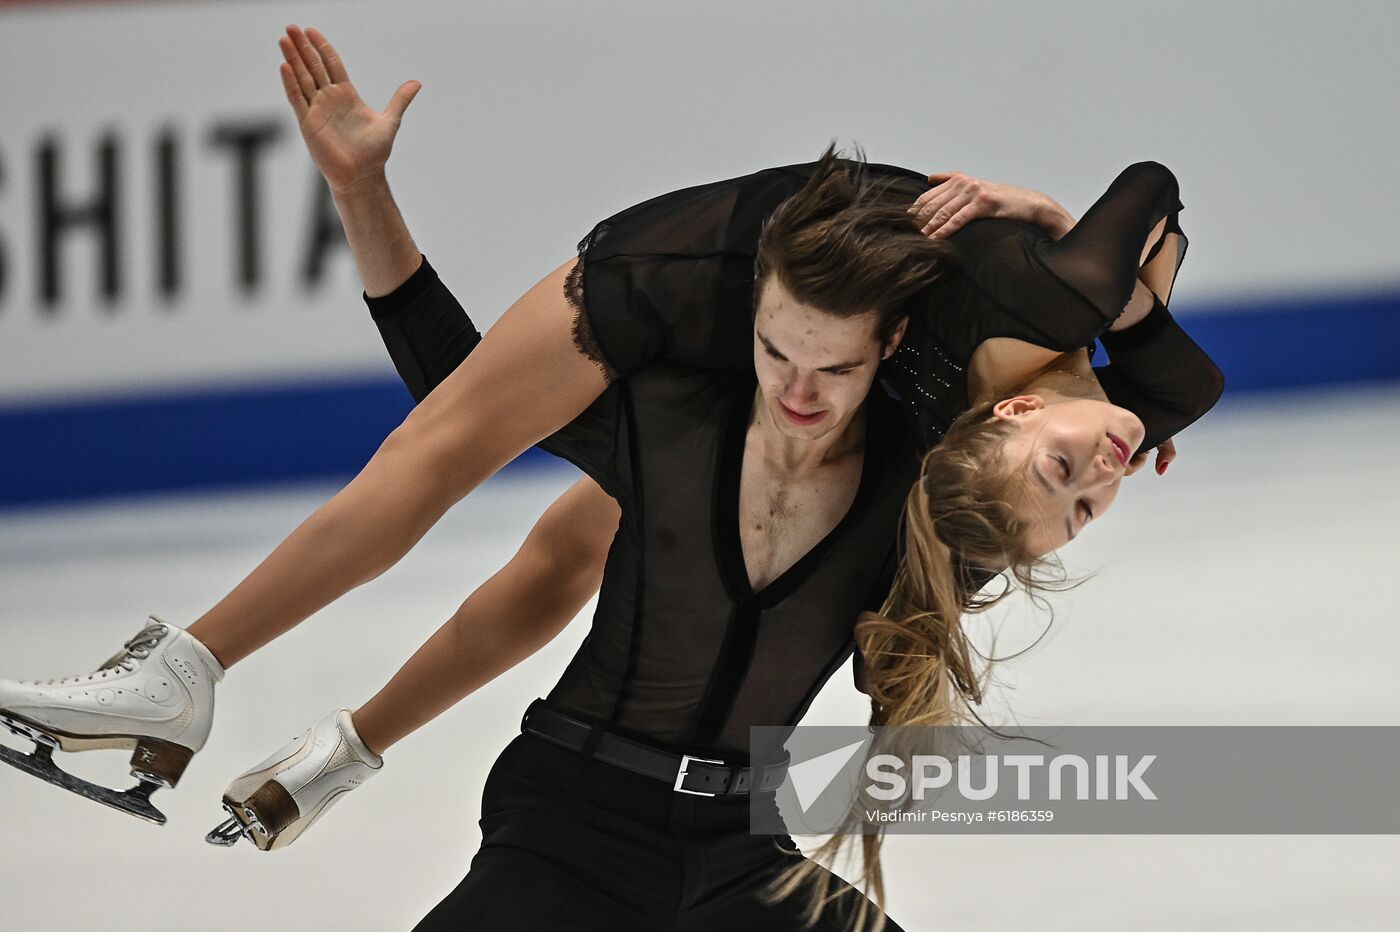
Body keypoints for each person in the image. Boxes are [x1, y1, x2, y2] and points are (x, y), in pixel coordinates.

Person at [0, 24, 1222, 932]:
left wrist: (352, 738)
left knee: (513, 484)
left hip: (742, 849)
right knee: (442, 452)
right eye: (1070, 471)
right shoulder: (699, 409)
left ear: (894, 368)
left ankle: (189, 682)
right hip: (575, 818)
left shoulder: (912, 497)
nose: (1097, 470)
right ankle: (179, 668)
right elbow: (475, 436)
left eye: (1079, 503)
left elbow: (547, 558)